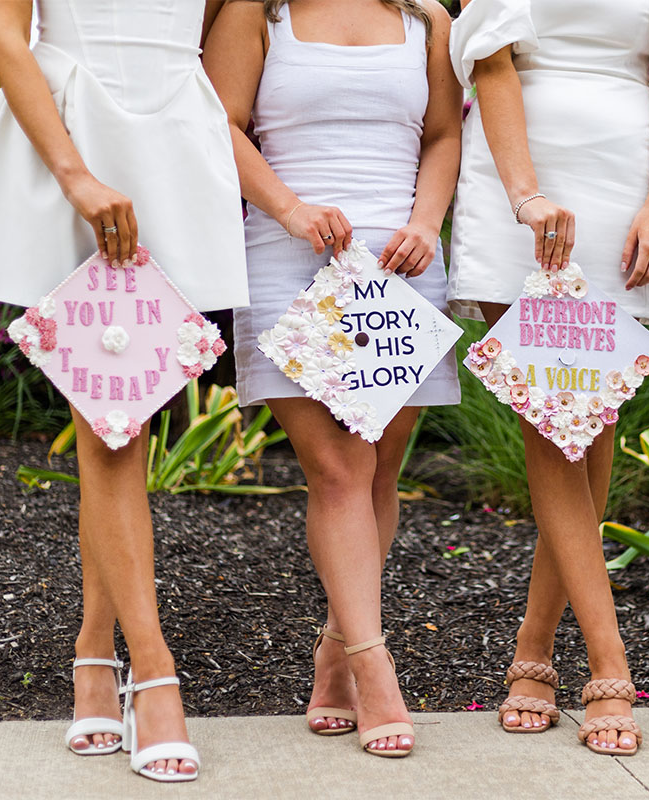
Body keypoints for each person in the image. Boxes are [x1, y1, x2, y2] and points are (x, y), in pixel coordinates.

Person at [0, 0, 249, 784]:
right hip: (70, 139)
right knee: (111, 424)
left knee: (124, 422)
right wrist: (76, 174)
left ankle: (93, 648)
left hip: (180, 154)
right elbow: (4, 38)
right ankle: (154, 675)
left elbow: (225, 57)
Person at [449, 0, 649, 756]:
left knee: (592, 430)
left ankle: (534, 645)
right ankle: (608, 657)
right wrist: (525, 194)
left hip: (622, 180)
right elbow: (491, 59)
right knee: (552, 420)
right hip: (520, 181)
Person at [204, 0, 460, 758]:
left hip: (400, 264)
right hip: (290, 257)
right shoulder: (259, 12)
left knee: (376, 471)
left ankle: (337, 644)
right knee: (338, 468)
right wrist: (289, 209)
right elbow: (220, 124)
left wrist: (426, 221)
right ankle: (374, 667)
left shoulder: (428, 18)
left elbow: (445, 134)